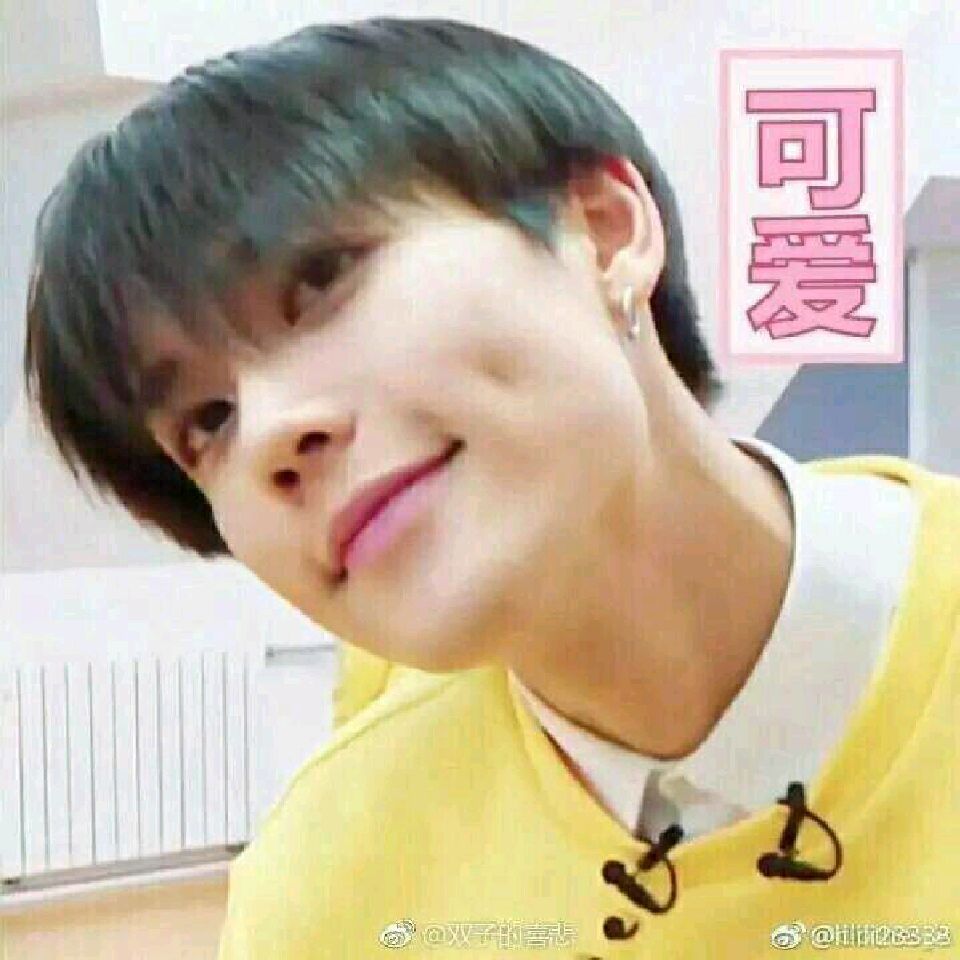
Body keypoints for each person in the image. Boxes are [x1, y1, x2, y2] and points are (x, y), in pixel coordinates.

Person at [21, 17, 958, 960]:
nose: (267, 432)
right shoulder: (335, 888)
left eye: (324, 282)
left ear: (605, 232)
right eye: (207, 422)